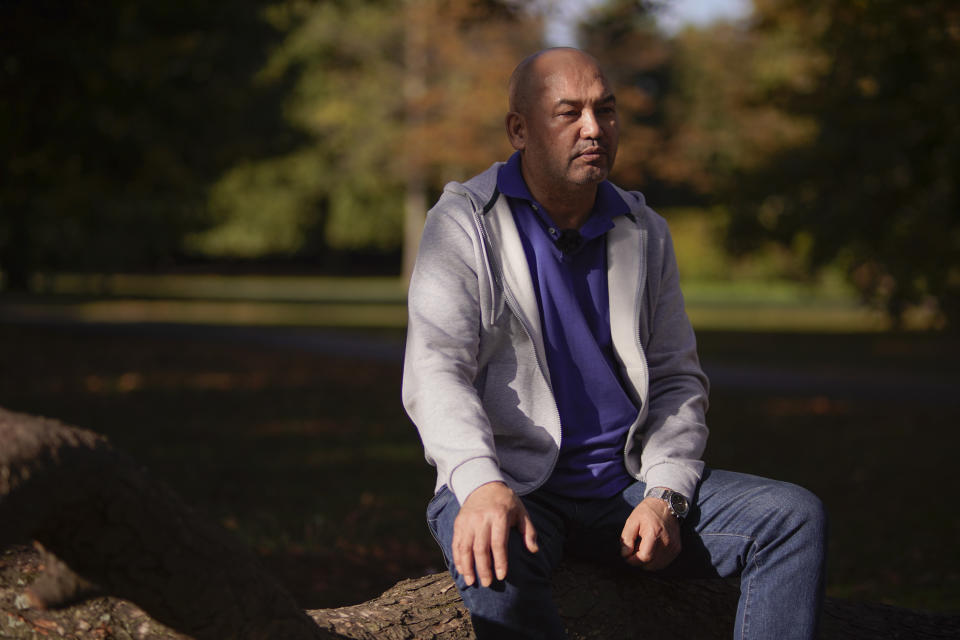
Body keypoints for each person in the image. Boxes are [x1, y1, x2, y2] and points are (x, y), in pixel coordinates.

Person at [402, 47, 827, 640]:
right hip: (517, 485)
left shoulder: (644, 231)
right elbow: (436, 369)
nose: (593, 129)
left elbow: (677, 378)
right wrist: (479, 482)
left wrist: (666, 496)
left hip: (624, 488)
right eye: (568, 113)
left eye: (606, 110)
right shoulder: (464, 222)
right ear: (518, 129)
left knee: (792, 518)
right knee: (492, 545)